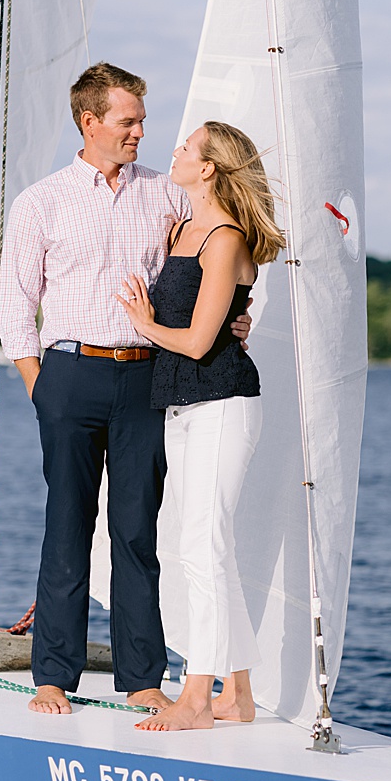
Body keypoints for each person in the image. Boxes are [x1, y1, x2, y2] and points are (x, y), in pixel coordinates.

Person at [0, 64, 249, 715]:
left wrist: (235, 311)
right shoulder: (41, 201)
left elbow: (218, 247)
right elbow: (14, 308)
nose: (141, 131)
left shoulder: (165, 195)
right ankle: (53, 677)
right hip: (69, 376)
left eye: (142, 119)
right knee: (67, 528)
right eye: (128, 120)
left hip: (146, 378)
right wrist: (41, 388)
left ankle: (143, 679)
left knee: (139, 533)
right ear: (91, 122)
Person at [118, 121, 284, 731]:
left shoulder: (223, 237)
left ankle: (195, 697)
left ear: (209, 166)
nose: (176, 150)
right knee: (207, 552)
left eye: (187, 147)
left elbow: (195, 341)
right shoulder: (182, 227)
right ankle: (237, 694)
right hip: (182, 408)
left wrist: (143, 322)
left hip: (222, 404)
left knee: (201, 549)